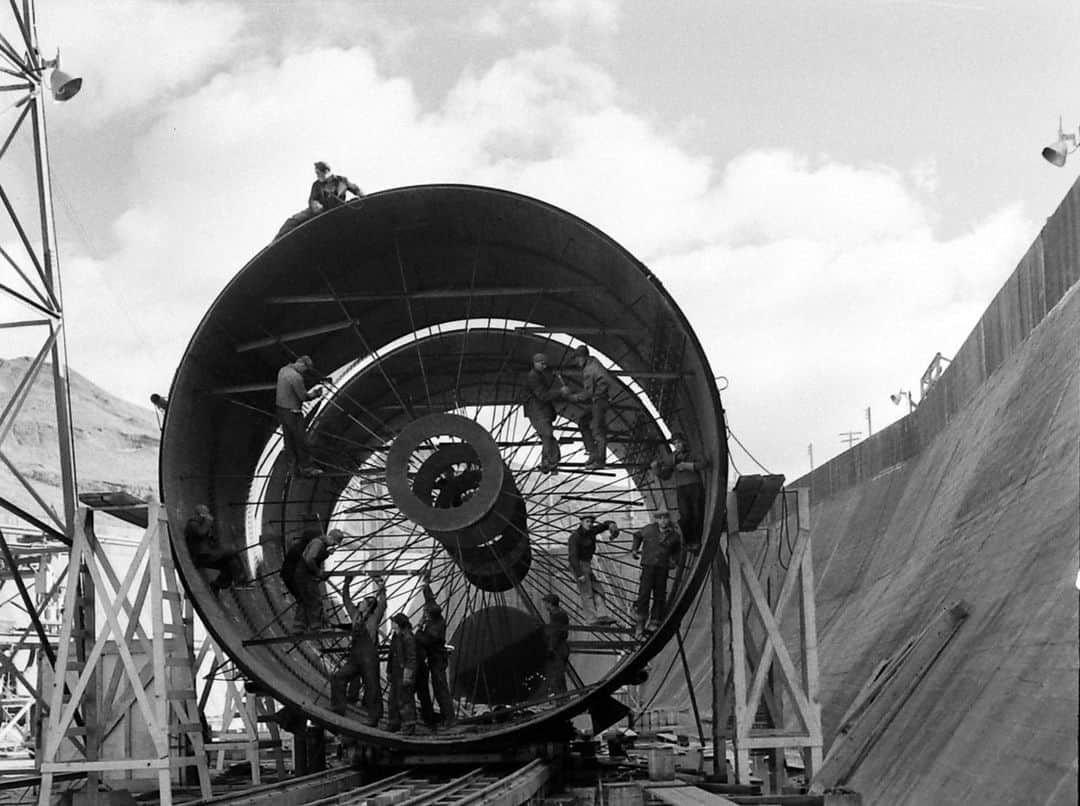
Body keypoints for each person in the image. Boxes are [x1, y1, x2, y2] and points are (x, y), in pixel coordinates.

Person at [331, 575, 386, 725]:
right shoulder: (355, 615)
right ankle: (338, 708)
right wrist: (346, 584)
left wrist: (381, 588)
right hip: (356, 656)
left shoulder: (374, 618)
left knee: (372, 687)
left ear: (368, 606)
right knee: (338, 677)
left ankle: (374, 717)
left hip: (368, 657)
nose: (359, 603)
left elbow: (382, 605)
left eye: (363, 602)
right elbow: (346, 600)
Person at [651, 433, 710, 550]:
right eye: (675, 443)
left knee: (697, 514)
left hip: (695, 486)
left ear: (684, 442)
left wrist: (686, 466)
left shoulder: (693, 454)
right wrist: (656, 469)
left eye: (679, 442)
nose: (677, 445)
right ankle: (689, 542)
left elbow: (704, 463)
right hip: (682, 488)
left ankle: (696, 540)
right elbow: (665, 475)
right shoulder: (672, 458)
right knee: (685, 515)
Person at [630, 509, 683, 638]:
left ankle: (655, 621)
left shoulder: (674, 536)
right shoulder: (649, 529)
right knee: (644, 593)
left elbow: (677, 550)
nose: (663, 521)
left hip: (662, 568)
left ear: (668, 519)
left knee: (659, 593)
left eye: (665, 518)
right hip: (648, 566)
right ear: (657, 520)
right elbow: (637, 535)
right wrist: (634, 549)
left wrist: (674, 561)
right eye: (660, 518)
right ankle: (640, 622)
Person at [414, 571, 455, 729]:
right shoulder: (436, 617)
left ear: (429, 616)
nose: (423, 614)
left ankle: (449, 719)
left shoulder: (434, 630)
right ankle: (447, 718)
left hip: (437, 660)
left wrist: (418, 627)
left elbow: (421, 640)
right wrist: (425, 585)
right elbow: (430, 599)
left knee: (440, 690)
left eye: (425, 613)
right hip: (437, 657)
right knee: (440, 690)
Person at [184, 504, 252, 594]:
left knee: (230, 563)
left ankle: (217, 585)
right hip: (202, 556)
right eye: (205, 514)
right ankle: (240, 580)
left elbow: (209, 539)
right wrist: (208, 522)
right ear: (199, 514)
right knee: (232, 552)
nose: (208, 516)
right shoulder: (192, 524)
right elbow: (200, 533)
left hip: (207, 555)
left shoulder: (202, 525)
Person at [566, 345, 614, 470]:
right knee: (583, 422)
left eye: (577, 359)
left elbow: (588, 392)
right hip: (598, 400)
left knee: (598, 431)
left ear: (582, 357)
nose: (576, 362)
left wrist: (574, 397)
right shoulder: (594, 362)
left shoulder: (589, 370)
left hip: (599, 401)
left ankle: (600, 461)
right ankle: (593, 453)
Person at [275, 355, 324, 478]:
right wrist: (315, 394)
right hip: (293, 413)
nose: (305, 372)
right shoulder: (296, 377)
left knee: (289, 442)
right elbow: (303, 397)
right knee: (301, 441)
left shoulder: (283, 370)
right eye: (306, 370)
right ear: (302, 365)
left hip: (282, 412)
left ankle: (293, 470)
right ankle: (307, 468)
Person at [286, 528, 342, 633]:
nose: (333, 545)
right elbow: (310, 559)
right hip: (305, 576)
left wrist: (327, 553)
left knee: (304, 600)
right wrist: (318, 572)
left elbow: (315, 557)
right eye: (333, 542)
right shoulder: (318, 543)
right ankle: (316, 627)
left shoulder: (320, 544)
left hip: (301, 574)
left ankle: (298, 627)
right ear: (330, 537)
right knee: (315, 600)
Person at [568, 514, 618, 625]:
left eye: (591, 521)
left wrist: (611, 524)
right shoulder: (575, 537)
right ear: (581, 522)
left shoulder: (591, 531)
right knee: (587, 593)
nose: (589, 524)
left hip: (587, 564)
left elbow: (603, 526)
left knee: (599, 590)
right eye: (587, 521)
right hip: (578, 565)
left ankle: (602, 616)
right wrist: (579, 573)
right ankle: (591, 619)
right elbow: (573, 557)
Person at [523, 352, 568, 473]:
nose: (544, 366)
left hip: (539, 411)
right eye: (542, 364)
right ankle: (548, 462)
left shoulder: (537, 375)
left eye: (545, 364)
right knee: (547, 435)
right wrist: (560, 392)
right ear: (535, 363)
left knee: (548, 436)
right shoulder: (534, 377)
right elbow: (542, 396)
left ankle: (551, 461)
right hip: (538, 412)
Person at [386, 613, 418, 734]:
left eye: (393, 622)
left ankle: (408, 726)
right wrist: (389, 671)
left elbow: (411, 659)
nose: (392, 625)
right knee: (393, 699)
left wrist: (408, 675)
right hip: (396, 672)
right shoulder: (397, 636)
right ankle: (394, 723)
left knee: (405, 700)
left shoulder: (407, 638)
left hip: (403, 673)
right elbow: (391, 654)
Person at [540, 593, 570, 697]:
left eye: (545, 603)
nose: (544, 606)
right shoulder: (557, 613)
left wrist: (551, 648)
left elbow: (555, 634)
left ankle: (562, 700)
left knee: (556, 676)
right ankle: (562, 699)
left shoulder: (557, 615)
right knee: (558, 676)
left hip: (559, 648)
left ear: (550, 603)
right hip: (560, 647)